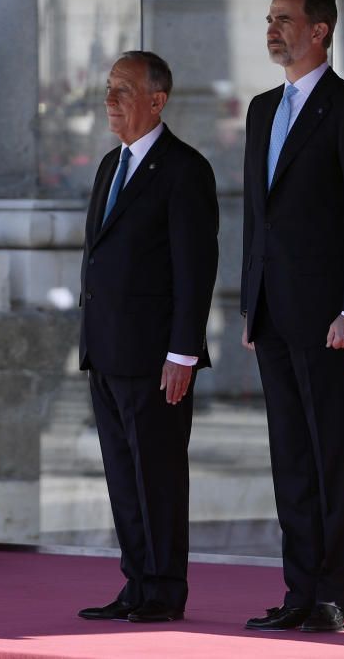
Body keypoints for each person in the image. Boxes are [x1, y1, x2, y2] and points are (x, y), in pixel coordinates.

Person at [240, 0, 344, 633]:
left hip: (329, 319)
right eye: (270, 20)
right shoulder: (258, 110)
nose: (273, 30)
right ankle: (299, 589)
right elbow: (256, 219)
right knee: (291, 459)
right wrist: (249, 305)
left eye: (286, 20)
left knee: (332, 456)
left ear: (320, 30)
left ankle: (336, 594)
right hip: (272, 313)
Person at [76, 51, 218, 624]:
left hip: (156, 357)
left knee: (157, 476)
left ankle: (164, 590)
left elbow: (194, 268)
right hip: (106, 350)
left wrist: (182, 351)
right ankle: (136, 584)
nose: (110, 101)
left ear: (157, 100)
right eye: (109, 89)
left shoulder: (185, 168)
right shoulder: (110, 165)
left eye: (124, 91)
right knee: (122, 477)